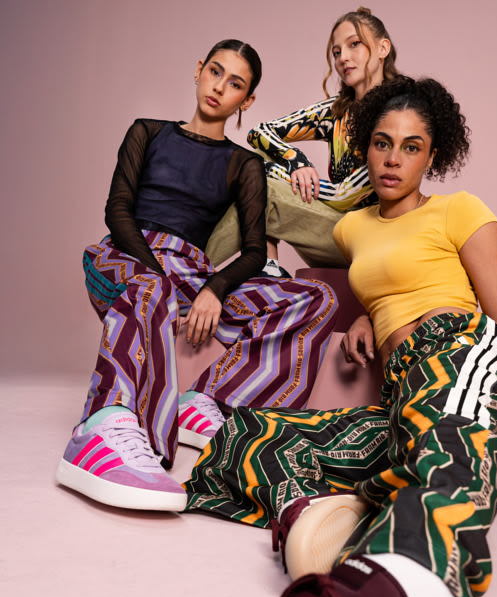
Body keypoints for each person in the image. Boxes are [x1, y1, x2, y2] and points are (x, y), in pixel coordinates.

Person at [100, 75, 497, 597]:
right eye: (382, 144)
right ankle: (333, 516)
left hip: (466, 355)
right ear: (364, 150)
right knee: (245, 440)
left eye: (413, 147)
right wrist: (368, 317)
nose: (395, 160)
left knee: (447, 443)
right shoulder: (352, 226)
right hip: (405, 392)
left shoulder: (462, 209)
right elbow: (369, 285)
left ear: (435, 156)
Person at [55, 39, 337, 512]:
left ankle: (208, 400)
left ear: (245, 101)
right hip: (125, 256)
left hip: (192, 274)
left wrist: (213, 289)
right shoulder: (147, 131)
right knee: (150, 286)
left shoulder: (243, 163)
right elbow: (117, 212)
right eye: (215, 72)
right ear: (198, 71)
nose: (219, 87)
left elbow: (251, 251)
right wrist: (156, 269)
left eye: (235, 84)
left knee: (313, 297)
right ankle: (101, 426)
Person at [204, 7, 397, 272]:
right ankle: (268, 263)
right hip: (330, 229)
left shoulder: (398, 113)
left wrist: (267, 173)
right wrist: (297, 161)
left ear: (383, 48)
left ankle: (187, 268)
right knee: (256, 159)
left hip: (368, 240)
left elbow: (344, 196)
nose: (343, 58)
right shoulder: (338, 110)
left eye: (355, 45)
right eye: (337, 52)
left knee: (260, 179)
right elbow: (260, 132)